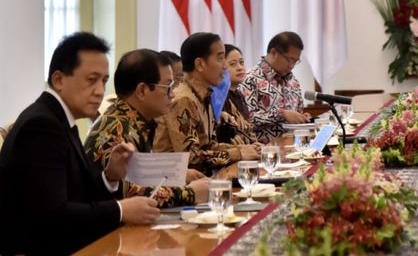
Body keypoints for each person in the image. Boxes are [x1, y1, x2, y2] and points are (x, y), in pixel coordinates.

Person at [0, 32, 159, 255]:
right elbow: (53, 215)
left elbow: (78, 196)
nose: (100, 91)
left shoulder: (59, 117)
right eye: (91, 80)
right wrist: (120, 210)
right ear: (59, 80)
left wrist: (110, 176)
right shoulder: (41, 125)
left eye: (104, 81)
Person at [85, 49, 209, 207]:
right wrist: (190, 193)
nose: (172, 94)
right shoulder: (115, 130)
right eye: (168, 87)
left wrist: (177, 174)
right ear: (142, 90)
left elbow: (141, 173)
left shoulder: (134, 121)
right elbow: (132, 193)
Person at [153, 33, 260, 175]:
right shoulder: (183, 100)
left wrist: (247, 148)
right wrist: (238, 153)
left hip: (201, 180)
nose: (224, 66)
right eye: (220, 58)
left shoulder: (205, 94)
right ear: (200, 64)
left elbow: (208, 146)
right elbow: (191, 159)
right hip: (175, 185)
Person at [239, 31, 311, 143]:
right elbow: (247, 121)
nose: (291, 66)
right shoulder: (250, 79)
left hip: (294, 148)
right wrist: (281, 114)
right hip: (264, 153)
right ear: (273, 52)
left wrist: (301, 117)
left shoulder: (293, 81)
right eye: (289, 60)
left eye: (295, 62)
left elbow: (297, 112)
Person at [216, 44, 258, 145]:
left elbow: (247, 130)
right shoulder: (217, 97)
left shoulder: (239, 94)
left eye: (241, 62)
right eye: (233, 64)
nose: (240, 68)